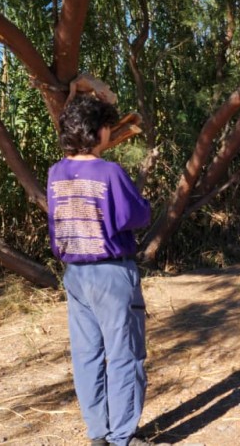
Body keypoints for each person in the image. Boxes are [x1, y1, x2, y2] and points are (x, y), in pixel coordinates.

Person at [47, 95, 153, 446]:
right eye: (108, 125)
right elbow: (135, 215)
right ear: (98, 131)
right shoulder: (109, 172)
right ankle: (123, 436)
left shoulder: (56, 173)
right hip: (111, 274)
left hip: (75, 274)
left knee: (86, 354)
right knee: (125, 354)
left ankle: (99, 433)